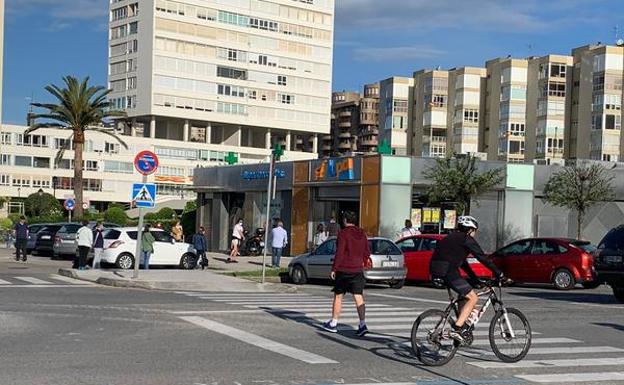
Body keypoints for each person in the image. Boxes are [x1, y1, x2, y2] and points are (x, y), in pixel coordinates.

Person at [429, 215, 509, 345]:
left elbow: (463, 263)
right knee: (473, 298)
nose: (475, 234)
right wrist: (499, 274)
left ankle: (461, 325)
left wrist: (475, 279)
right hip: (448, 271)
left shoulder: (449, 238)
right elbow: (482, 258)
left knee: (464, 295)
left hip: (435, 270)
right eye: (475, 231)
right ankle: (457, 328)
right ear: (470, 229)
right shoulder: (466, 239)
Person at [321, 210, 371, 337]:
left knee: (338, 296)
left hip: (344, 269)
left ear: (345, 221)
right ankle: (362, 324)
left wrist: (334, 268)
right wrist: (364, 261)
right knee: (358, 296)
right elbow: (366, 252)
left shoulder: (343, 234)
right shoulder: (362, 233)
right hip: (358, 270)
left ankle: (333, 323)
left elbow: (340, 252)